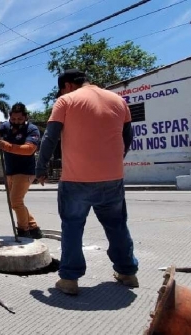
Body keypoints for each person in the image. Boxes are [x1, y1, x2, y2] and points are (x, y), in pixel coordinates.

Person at [35, 69, 138, 295]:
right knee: (117, 225)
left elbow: (50, 137)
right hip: (112, 178)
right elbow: (128, 137)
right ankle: (128, 272)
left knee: (72, 227)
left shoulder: (66, 101)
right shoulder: (119, 101)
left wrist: (40, 168)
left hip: (76, 180)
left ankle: (70, 279)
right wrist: (115, 161)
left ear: (68, 85)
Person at [0, 102, 43, 239]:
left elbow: (29, 150)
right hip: (10, 171)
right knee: (15, 202)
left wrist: (8, 146)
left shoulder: (32, 129)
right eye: (14, 119)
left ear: (26, 117)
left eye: (20, 119)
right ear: (10, 117)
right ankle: (34, 227)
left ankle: (23, 230)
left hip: (25, 171)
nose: (16, 122)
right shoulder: (5, 126)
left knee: (16, 201)